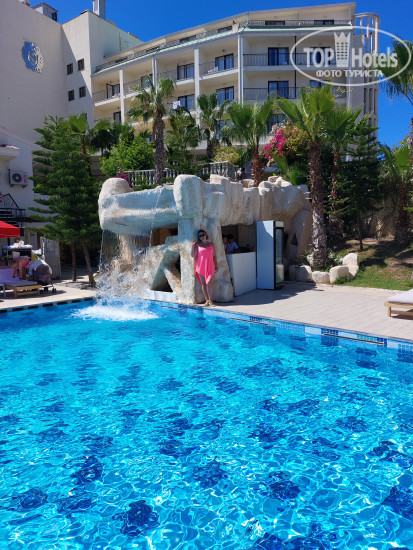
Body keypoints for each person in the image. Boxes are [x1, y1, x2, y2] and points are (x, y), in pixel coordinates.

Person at [191, 229, 218, 306]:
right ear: (199, 237)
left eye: (203, 234)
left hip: (210, 266)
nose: (202, 236)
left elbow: (214, 256)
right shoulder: (197, 245)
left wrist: (216, 265)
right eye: (200, 236)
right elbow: (192, 255)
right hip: (200, 266)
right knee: (203, 283)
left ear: (206, 235)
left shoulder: (211, 244)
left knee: (208, 283)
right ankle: (207, 300)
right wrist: (192, 246)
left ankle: (211, 301)